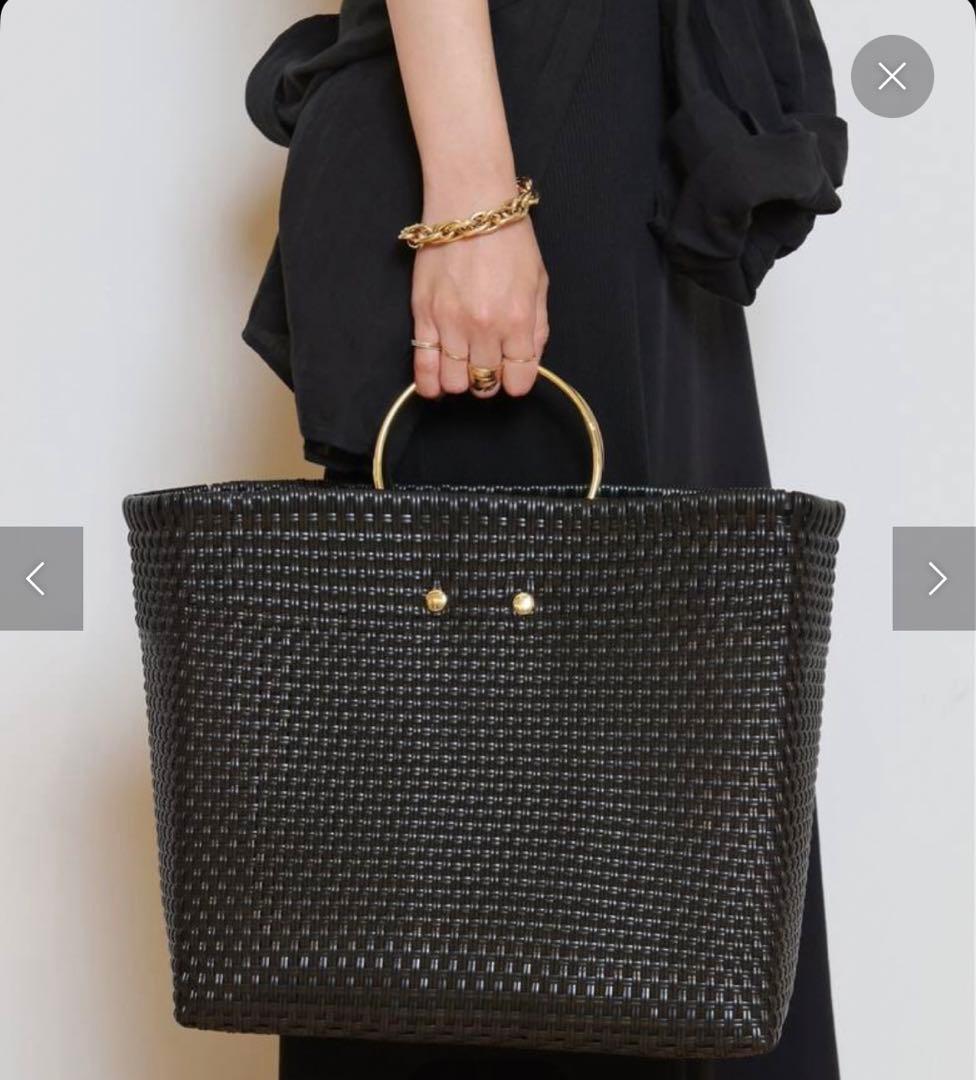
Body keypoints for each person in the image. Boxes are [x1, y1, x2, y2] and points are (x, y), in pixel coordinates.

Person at [243, 2, 848, 1077]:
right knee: (502, 835)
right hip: (522, 128)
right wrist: (474, 201)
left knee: (689, 810)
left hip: (631, 140)